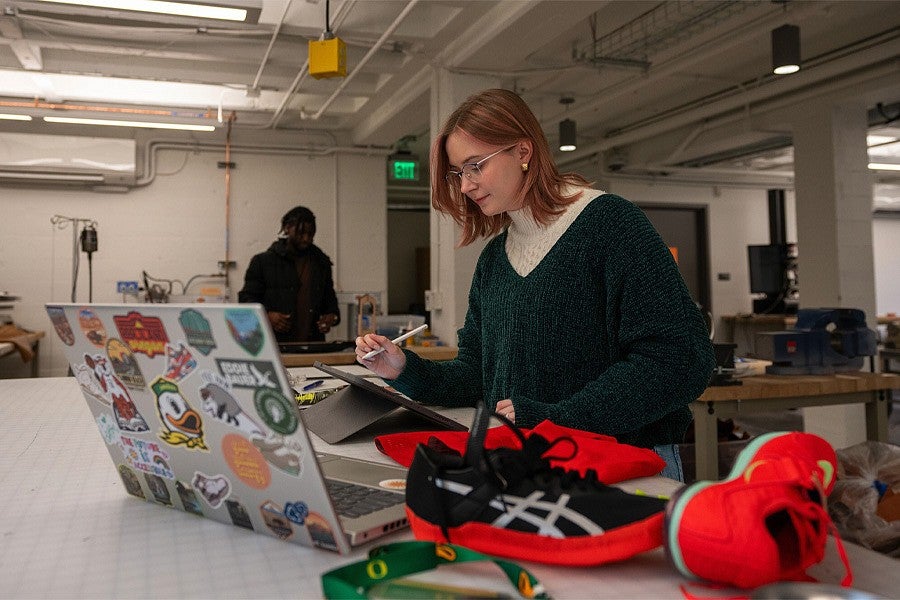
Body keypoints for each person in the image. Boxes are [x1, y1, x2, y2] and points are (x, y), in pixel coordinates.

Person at [356, 88, 714, 481]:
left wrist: (559, 421)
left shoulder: (610, 225)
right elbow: (479, 373)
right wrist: (405, 368)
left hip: (623, 470)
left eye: (476, 166)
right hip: (533, 461)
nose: (466, 186)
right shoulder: (495, 259)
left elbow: (679, 360)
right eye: (458, 173)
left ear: (523, 152)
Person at [238, 206, 340, 343]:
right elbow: (246, 299)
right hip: (275, 344)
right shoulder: (262, 262)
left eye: (310, 234)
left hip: (313, 345)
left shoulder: (321, 263)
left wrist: (331, 317)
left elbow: (330, 299)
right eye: (301, 233)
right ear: (287, 228)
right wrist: (267, 315)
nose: (306, 239)